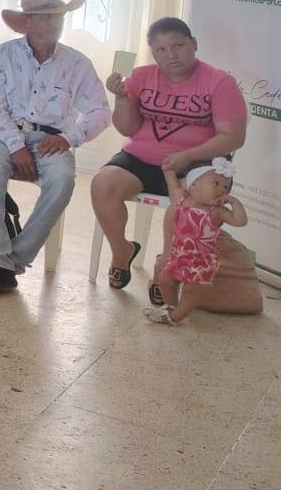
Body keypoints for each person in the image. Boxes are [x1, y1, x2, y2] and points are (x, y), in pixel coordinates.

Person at [0, 0, 111, 297]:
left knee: (63, 179)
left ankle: (10, 263)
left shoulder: (77, 63)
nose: (53, 23)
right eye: (44, 16)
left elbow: (101, 112)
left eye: (58, 16)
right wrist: (16, 147)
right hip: (4, 133)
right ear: (26, 22)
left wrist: (68, 138)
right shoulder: (2, 55)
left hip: (51, 139)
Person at [92, 17, 247, 290]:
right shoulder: (140, 76)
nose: (171, 55)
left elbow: (233, 137)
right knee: (103, 184)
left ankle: (167, 267)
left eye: (178, 46)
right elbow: (127, 129)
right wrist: (123, 99)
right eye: (161, 49)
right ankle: (121, 251)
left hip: (198, 164)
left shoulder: (220, 81)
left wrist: (189, 155)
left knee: (191, 202)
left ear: (193, 44)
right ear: (153, 52)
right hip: (141, 157)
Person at [145, 158, 248, 325]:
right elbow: (172, 183)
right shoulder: (181, 199)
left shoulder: (216, 212)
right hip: (178, 256)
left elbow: (240, 221)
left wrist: (235, 203)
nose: (222, 190)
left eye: (226, 187)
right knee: (165, 280)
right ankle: (171, 307)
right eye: (216, 183)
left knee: (191, 291)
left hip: (201, 263)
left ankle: (175, 318)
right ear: (193, 184)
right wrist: (168, 170)